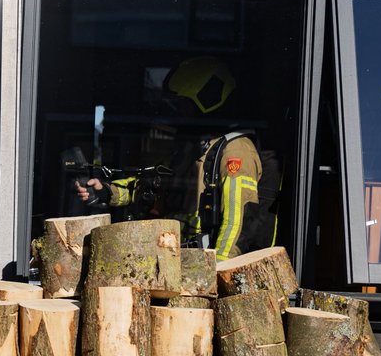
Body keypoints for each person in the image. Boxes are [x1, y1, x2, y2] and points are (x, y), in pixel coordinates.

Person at [75, 56, 277, 261]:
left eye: (182, 104)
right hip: (176, 259)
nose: (178, 111)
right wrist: (108, 192)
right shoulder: (193, 147)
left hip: (202, 265)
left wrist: (219, 269)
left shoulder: (236, 150)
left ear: (206, 100)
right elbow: (153, 185)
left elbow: (238, 220)